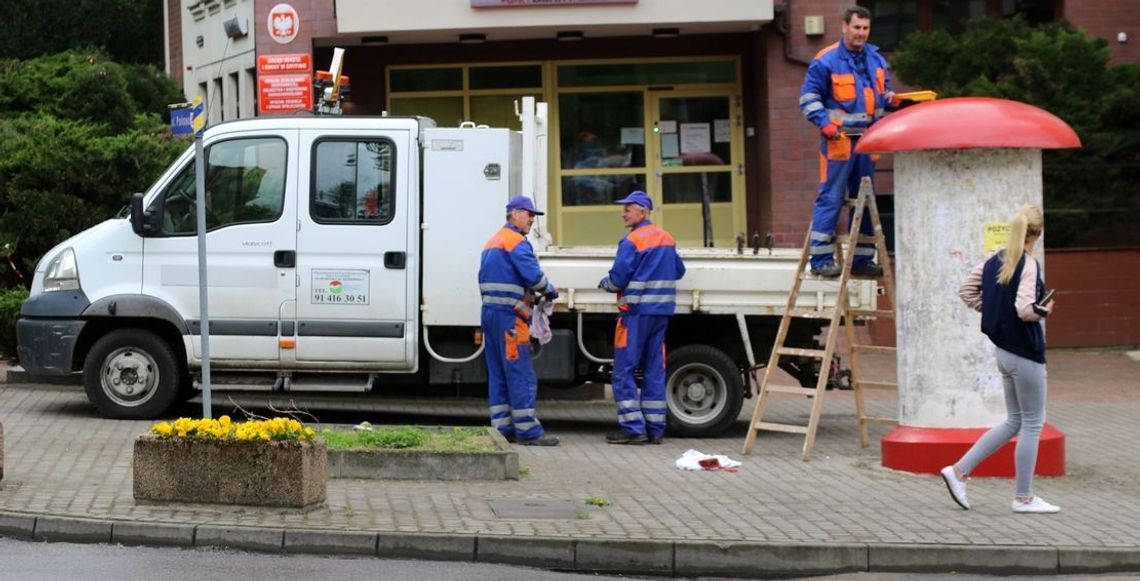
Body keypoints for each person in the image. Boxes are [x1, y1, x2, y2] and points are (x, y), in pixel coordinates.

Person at [940, 204, 1059, 514]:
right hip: (1025, 351)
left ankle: (959, 471)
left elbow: (967, 291)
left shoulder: (995, 258)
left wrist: (994, 313)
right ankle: (1024, 498)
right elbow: (1025, 310)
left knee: (1014, 421)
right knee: (1033, 423)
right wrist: (1045, 308)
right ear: (1039, 232)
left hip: (1003, 352)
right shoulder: (1029, 264)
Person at [799, 6, 897, 278]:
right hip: (838, 141)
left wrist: (897, 102)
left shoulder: (876, 59)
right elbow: (808, 99)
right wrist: (825, 124)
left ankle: (862, 260)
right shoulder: (826, 60)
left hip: (867, 143)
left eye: (865, 28)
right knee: (831, 198)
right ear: (844, 27)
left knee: (864, 200)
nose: (861, 33)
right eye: (857, 28)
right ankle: (820, 261)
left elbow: (883, 94)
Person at [598, 191, 686, 445]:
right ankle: (655, 428)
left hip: (635, 316)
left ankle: (634, 428)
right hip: (661, 315)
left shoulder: (632, 241)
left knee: (623, 371)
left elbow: (618, 279)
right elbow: (679, 271)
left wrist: (605, 284)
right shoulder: (667, 238)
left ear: (643, 212)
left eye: (627, 209)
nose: (622, 213)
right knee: (654, 370)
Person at [478, 195, 560, 446]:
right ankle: (528, 432)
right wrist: (550, 291)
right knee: (519, 373)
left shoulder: (494, 241)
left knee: (498, 374)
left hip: (491, 315)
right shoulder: (517, 242)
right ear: (514, 214)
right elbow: (534, 276)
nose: (532, 219)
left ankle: (502, 429)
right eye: (529, 214)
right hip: (510, 321)